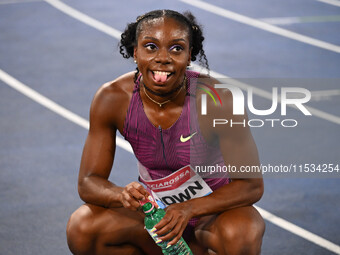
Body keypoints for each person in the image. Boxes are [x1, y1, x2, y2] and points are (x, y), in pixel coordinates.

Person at [66, 9, 265, 255]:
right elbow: (88, 183)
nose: (163, 58)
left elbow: (250, 186)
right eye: (151, 47)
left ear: (189, 55)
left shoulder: (218, 100)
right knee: (83, 226)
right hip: (154, 218)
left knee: (242, 232)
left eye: (176, 48)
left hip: (211, 217)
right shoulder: (112, 99)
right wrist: (121, 195)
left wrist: (190, 208)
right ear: (135, 52)